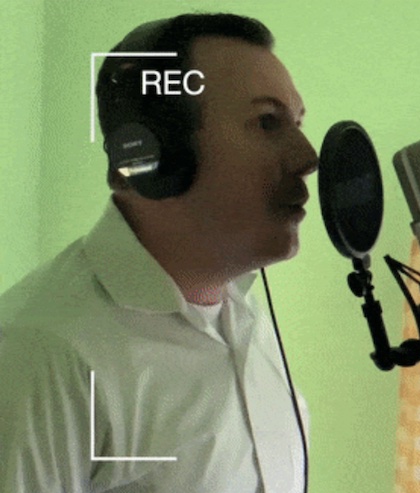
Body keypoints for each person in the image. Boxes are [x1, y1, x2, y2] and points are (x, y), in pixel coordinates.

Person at [0, 13, 317, 493]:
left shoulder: (245, 315)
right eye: (267, 122)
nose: (308, 157)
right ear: (152, 158)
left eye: (295, 123)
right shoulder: (42, 352)